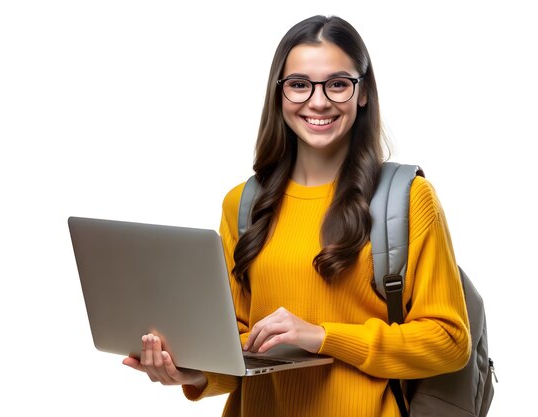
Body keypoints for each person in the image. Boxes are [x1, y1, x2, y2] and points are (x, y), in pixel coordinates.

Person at [122, 15, 471, 417]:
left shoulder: (407, 199)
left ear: (362, 93)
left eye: (338, 84)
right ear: (279, 94)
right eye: (299, 85)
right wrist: (191, 374)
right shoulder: (243, 204)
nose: (318, 101)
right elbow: (236, 353)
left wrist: (324, 337)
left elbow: (449, 342)